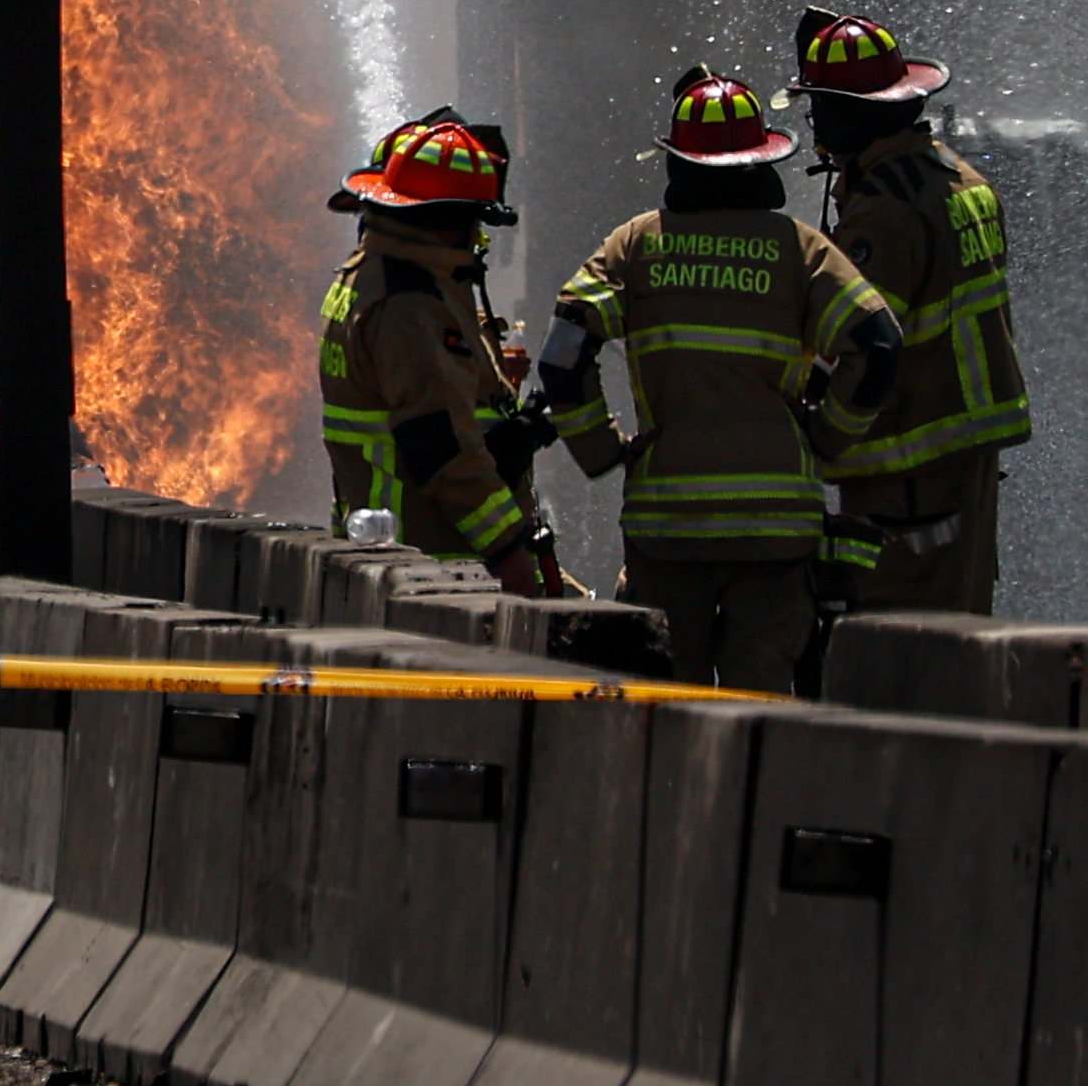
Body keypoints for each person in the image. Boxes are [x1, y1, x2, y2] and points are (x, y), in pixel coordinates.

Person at [538, 66, 903, 693]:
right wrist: (825, 439)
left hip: (666, 528)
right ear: (761, 161)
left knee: (663, 706)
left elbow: (563, 354)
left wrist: (602, 450)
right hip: (776, 534)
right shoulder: (800, 249)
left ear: (679, 162)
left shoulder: (636, 245)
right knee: (758, 709)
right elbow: (878, 342)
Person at [790, 10, 1030, 615]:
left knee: (902, 634)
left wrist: (814, 439)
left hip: (909, 467)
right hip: (964, 452)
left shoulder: (885, 211)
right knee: (961, 618)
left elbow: (858, 345)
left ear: (852, 113)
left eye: (821, 106)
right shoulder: (960, 179)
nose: (816, 122)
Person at [318, 112, 551, 593]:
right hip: (428, 558)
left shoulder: (366, 276)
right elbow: (439, 445)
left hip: (382, 548)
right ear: (448, 222)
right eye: (473, 220)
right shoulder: (411, 303)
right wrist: (510, 552)